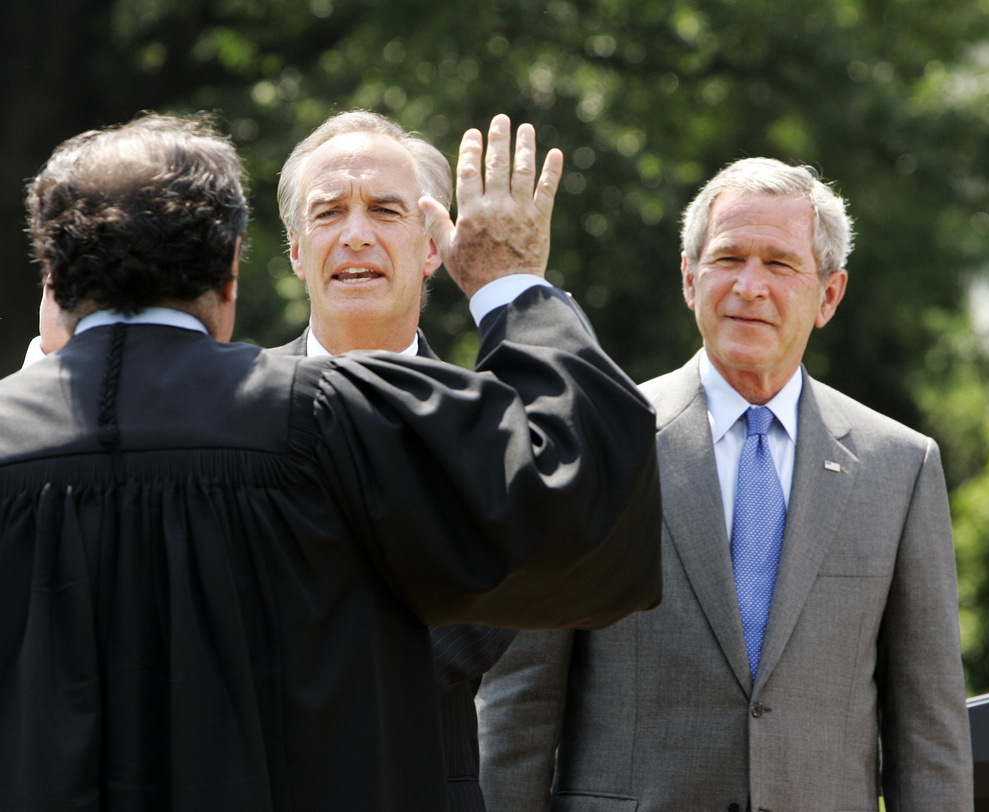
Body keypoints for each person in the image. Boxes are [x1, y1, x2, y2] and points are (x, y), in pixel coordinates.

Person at [0, 111, 663, 811]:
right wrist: (512, 287)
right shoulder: (317, 418)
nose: (355, 234)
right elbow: (583, 501)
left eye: (383, 210)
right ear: (232, 271)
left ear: (55, 276)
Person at [477, 157, 973, 811]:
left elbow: (930, 733)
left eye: (780, 263)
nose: (749, 286)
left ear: (829, 295)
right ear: (689, 278)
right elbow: (517, 710)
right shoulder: (590, 445)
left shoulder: (900, 467)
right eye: (729, 258)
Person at [270, 109, 517, 812]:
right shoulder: (224, 416)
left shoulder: (490, 426)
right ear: (295, 249)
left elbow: (470, 632)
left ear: (433, 245)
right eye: (328, 213)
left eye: (384, 210)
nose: (356, 235)